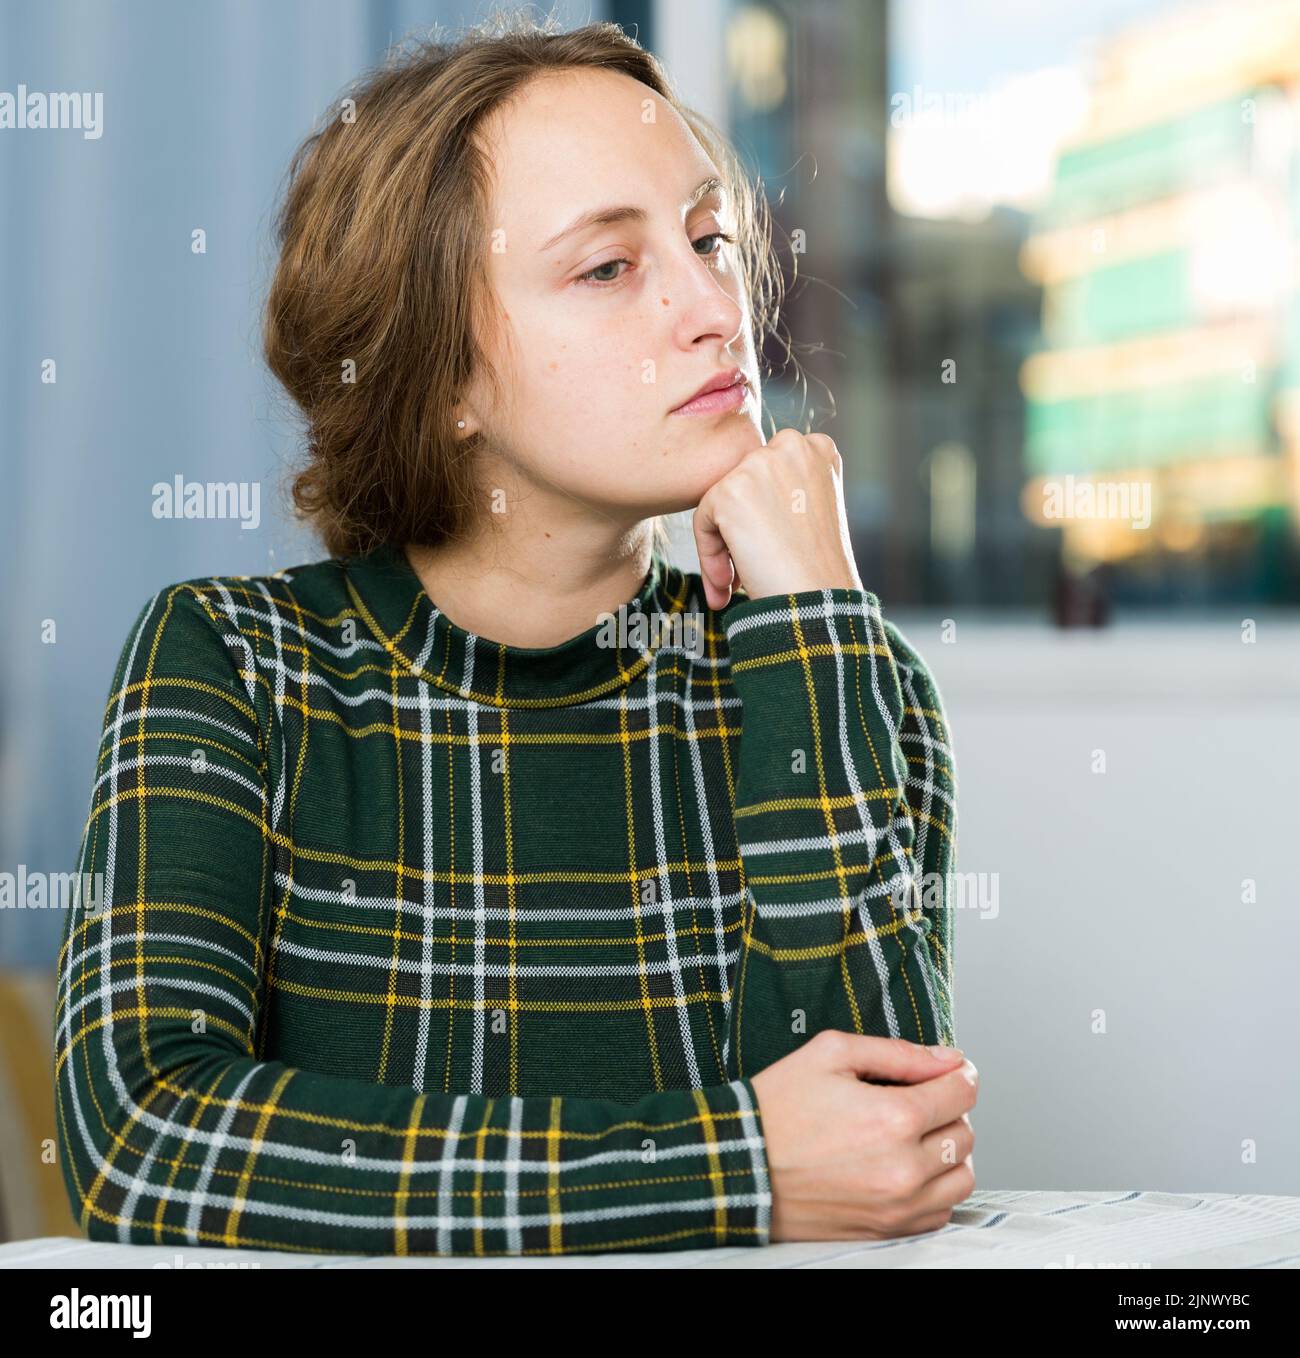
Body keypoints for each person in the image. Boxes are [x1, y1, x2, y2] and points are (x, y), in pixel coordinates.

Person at [53, 13, 973, 1258]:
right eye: (606, 268)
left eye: (709, 240)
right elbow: (142, 1139)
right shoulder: (231, 665)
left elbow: (881, 1151)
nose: (713, 308)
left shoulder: (843, 675)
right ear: (439, 375)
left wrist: (813, 620)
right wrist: (729, 1166)